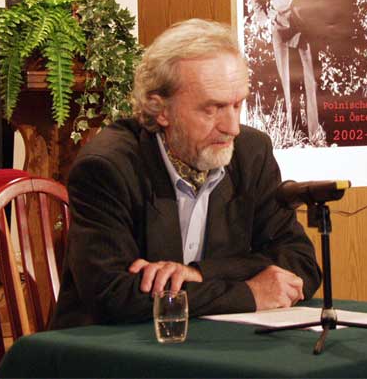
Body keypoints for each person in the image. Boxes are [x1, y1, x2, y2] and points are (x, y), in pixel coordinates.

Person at [50, 18, 321, 329]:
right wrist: (248, 294)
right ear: (161, 109)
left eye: (237, 105)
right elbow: (114, 295)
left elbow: (299, 264)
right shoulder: (107, 167)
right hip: (106, 348)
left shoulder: (251, 152)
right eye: (212, 108)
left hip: (208, 341)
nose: (232, 127)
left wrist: (200, 273)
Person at [251, 0, 321, 140]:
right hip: (281, 27)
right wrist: (266, 20)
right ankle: (293, 131)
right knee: (288, 81)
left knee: (312, 80)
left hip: (306, 27)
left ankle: (315, 133)